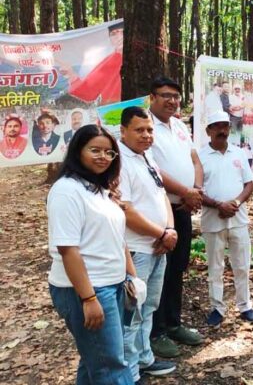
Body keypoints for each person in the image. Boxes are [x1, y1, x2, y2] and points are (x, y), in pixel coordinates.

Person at [47, 125, 136, 384]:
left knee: (95, 360)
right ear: (78, 151)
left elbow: (117, 238)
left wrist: (131, 276)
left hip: (113, 283)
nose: (103, 157)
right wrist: (88, 298)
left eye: (109, 153)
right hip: (87, 289)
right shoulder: (66, 190)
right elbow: (67, 248)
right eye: (94, 150)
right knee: (111, 367)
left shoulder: (99, 190)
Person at [118, 107, 178, 382]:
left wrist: (170, 229)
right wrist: (161, 234)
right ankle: (129, 372)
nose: (146, 135)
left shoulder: (147, 156)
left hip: (157, 246)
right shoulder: (119, 161)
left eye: (150, 129)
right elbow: (126, 210)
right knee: (132, 313)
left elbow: (161, 194)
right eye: (139, 130)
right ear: (123, 131)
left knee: (149, 306)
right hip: (136, 250)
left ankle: (144, 359)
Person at [148, 77, 204, 358]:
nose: (172, 101)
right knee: (159, 270)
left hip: (183, 208)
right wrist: (185, 191)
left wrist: (195, 191)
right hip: (160, 211)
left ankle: (173, 323)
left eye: (176, 96)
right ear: (152, 97)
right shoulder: (146, 127)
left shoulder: (180, 125)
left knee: (179, 266)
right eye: (166, 95)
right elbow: (153, 167)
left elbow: (195, 159)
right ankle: (154, 331)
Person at [199, 111, 253, 327]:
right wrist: (217, 205)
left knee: (242, 264)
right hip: (213, 219)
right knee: (215, 266)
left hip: (238, 218)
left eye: (225, 126)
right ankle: (217, 308)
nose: (222, 130)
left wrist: (236, 203)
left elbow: (249, 183)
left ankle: (245, 306)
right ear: (209, 131)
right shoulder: (200, 156)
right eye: (216, 126)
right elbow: (195, 191)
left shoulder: (239, 153)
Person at [60, 22, 123, 105]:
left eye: (122, 32)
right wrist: (71, 74)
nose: (119, 37)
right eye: (113, 34)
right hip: (114, 112)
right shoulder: (110, 61)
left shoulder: (143, 56)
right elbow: (88, 91)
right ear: (110, 38)